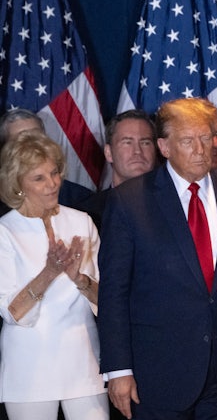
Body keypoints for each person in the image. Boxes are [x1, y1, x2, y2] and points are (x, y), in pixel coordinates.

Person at [97, 98, 217, 419]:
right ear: (164, 146)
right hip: (158, 377)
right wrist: (118, 369)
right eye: (188, 141)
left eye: (207, 137)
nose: (201, 149)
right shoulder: (128, 202)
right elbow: (114, 292)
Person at [0, 131, 107, 419]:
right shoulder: (5, 231)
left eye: (54, 173)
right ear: (17, 184)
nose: (52, 184)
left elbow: (106, 301)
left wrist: (79, 280)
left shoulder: (81, 222)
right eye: (39, 178)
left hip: (83, 361)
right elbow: (12, 312)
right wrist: (49, 273)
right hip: (29, 366)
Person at [0, 110, 92, 216]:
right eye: (21, 138)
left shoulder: (81, 199)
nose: (31, 144)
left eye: (36, 136)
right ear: (4, 148)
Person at [76, 110, 157, 228]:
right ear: (108, 153)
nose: (138, 151)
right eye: (127, 143)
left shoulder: (176, 205)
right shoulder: (86, 215)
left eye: (145, 143)